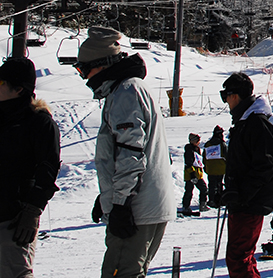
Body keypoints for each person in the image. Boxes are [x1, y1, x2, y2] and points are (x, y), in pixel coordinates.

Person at [75, 26, 173, 277]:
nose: (84, 77)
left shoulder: (125, 93)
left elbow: (131, 154)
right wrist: (107, 197)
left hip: (136, 208)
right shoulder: (130, 89)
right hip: (144, 205)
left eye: (83, 69)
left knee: (120, 272)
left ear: (103, 64)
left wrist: (119, 203)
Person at [0, 57, 60, 278]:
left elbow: (48, 169)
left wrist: (32, 211)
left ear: (18, 89)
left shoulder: (39, 123)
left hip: (13, 220)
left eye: (0, 83)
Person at [221, 71, 273, 278]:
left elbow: (265, 166)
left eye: (224, 96)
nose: (225, 102)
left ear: (234, 95)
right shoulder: (244, 123)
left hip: (250, 203)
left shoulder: (256, 124)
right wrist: (231, 190)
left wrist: (241, 194)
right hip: (243, 201)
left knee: (238, 258)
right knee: (240, 256)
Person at [181, 133, 209, 215]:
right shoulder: (190, 150)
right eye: (197, 141)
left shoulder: (196, 149)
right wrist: (192, 174)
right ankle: (198, 205)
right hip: (192, 174)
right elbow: (188, 163)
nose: (199, 142)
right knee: (199, 189)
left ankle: (188, 206)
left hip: (196, 174)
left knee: (191, 190)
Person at [203, 125, 227, 208]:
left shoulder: (208, 144)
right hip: (221, 168)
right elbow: (226, 155)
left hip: (210, 168)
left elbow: (204, 157)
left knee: (211, 184)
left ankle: (211, 200)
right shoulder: (222, 144)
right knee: (219, 183)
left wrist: (205, 166)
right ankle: (219, 200)